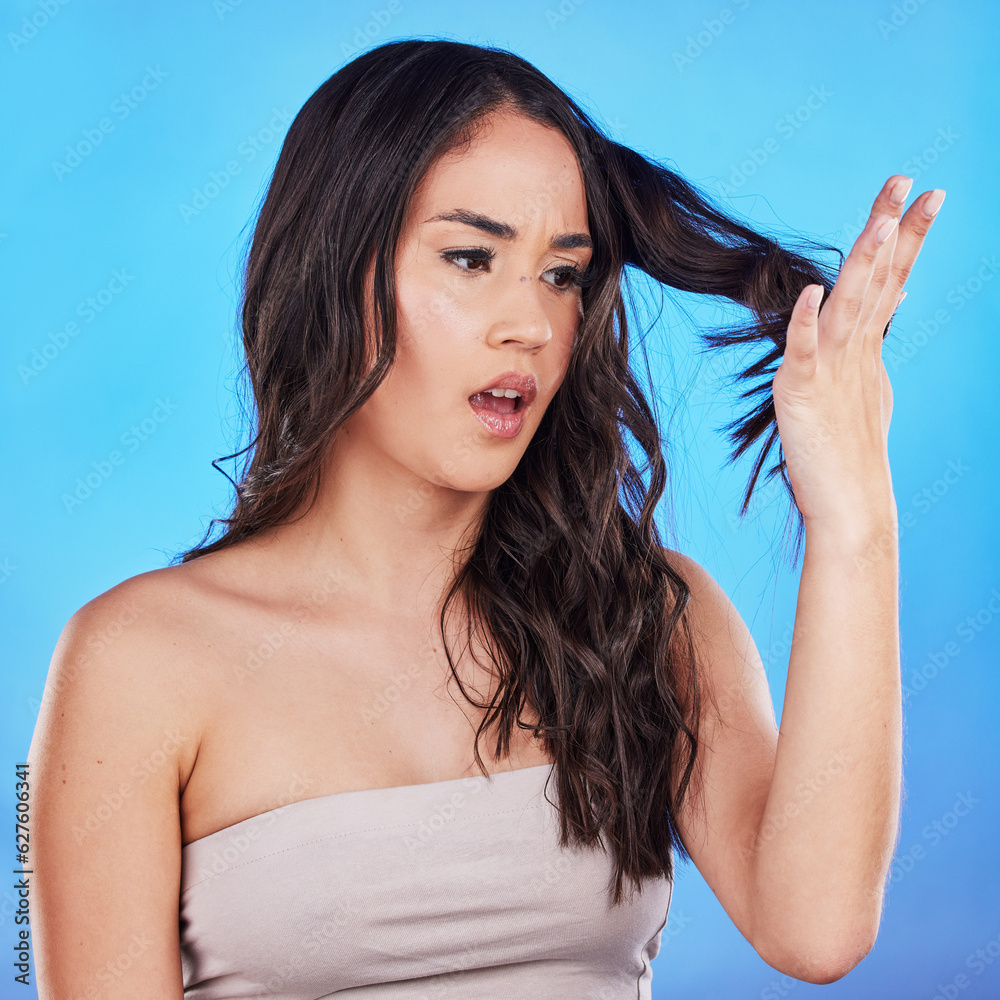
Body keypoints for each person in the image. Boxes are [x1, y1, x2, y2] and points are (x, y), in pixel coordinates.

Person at [27, 38, 943, 998]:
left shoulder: (642, 617)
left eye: (562, 274)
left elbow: (819, 929)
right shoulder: (138, 660)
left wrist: (854, 521)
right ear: (334, 271)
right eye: (472, 258)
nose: (534, 325)